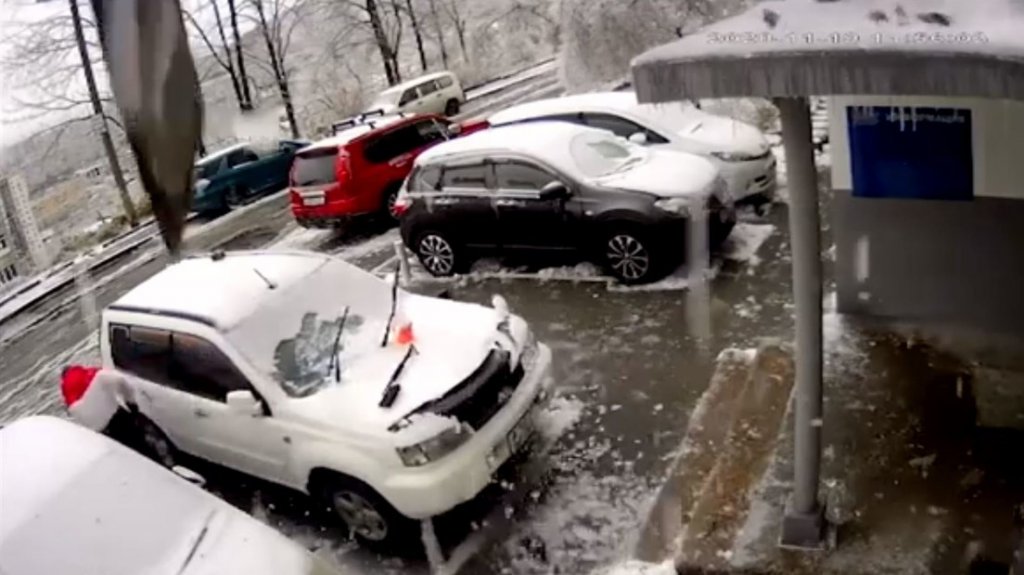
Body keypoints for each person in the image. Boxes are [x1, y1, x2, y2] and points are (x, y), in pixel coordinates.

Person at [60, 364, 137, 443]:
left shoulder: (69, 401)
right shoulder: (94, 375)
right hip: (117, 417)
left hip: (101, 434)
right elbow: (119, 379)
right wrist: (130, 402)